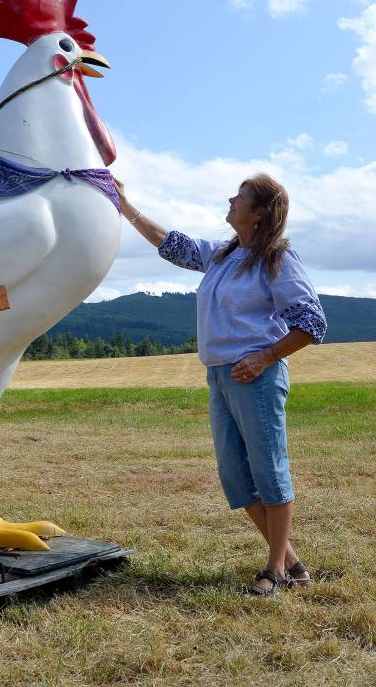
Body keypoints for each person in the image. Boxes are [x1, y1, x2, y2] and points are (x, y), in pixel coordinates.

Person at [114, 173, 327, 595]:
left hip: (258, 377)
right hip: (220, 376)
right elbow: (173, 244)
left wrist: (267, 356)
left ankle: (276, 571)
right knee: (234, 474)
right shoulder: (225, 253)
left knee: (269, 471)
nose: (231, 199)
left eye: (241, 196)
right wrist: (124, 205)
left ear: (260, 212)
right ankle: (291, 560)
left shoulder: (277, 258)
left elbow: (312, 322)